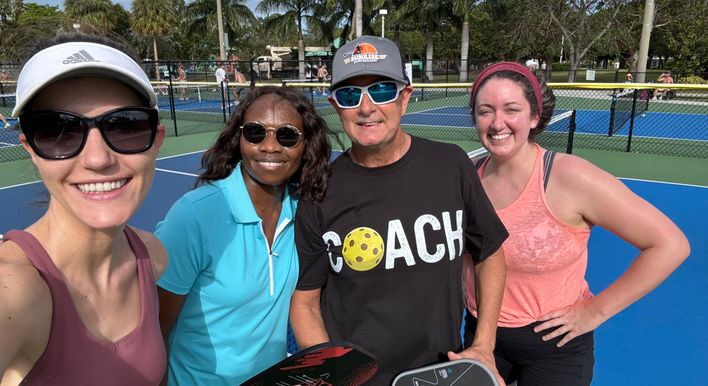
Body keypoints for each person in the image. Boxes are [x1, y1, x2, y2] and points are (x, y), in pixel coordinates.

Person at [290, 35, 508, 386]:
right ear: (335, 105)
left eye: (381, 91)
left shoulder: (451, 165)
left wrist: (484, 344)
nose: (366, 107)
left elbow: (490, 253)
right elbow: (305, 303)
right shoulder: (320, 190)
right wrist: (334, 376)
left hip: (442, 373)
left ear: (405, 98)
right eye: (349, 95)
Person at [466, 61, 690, 386]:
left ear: (534, 116)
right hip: (479, 336)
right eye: (485, 111)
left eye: (511, 109)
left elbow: (670, 244)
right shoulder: (465, 176)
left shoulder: (570, 177)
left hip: (553, 346)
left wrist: (595, 312)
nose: (497, 122)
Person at [0, 34, 167, 385]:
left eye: (125, 126)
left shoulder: (152, 256)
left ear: (157, 141)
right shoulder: (14, 289)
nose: (98, 159)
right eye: (58, 130)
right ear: (30, 148)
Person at [156, 86, 336, 385]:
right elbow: (155, 330)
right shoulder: (193, 217)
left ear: (306, 145)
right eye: (255, 132)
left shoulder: (303, 213)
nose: (270, 146)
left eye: (287, 135)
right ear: (239, 139)